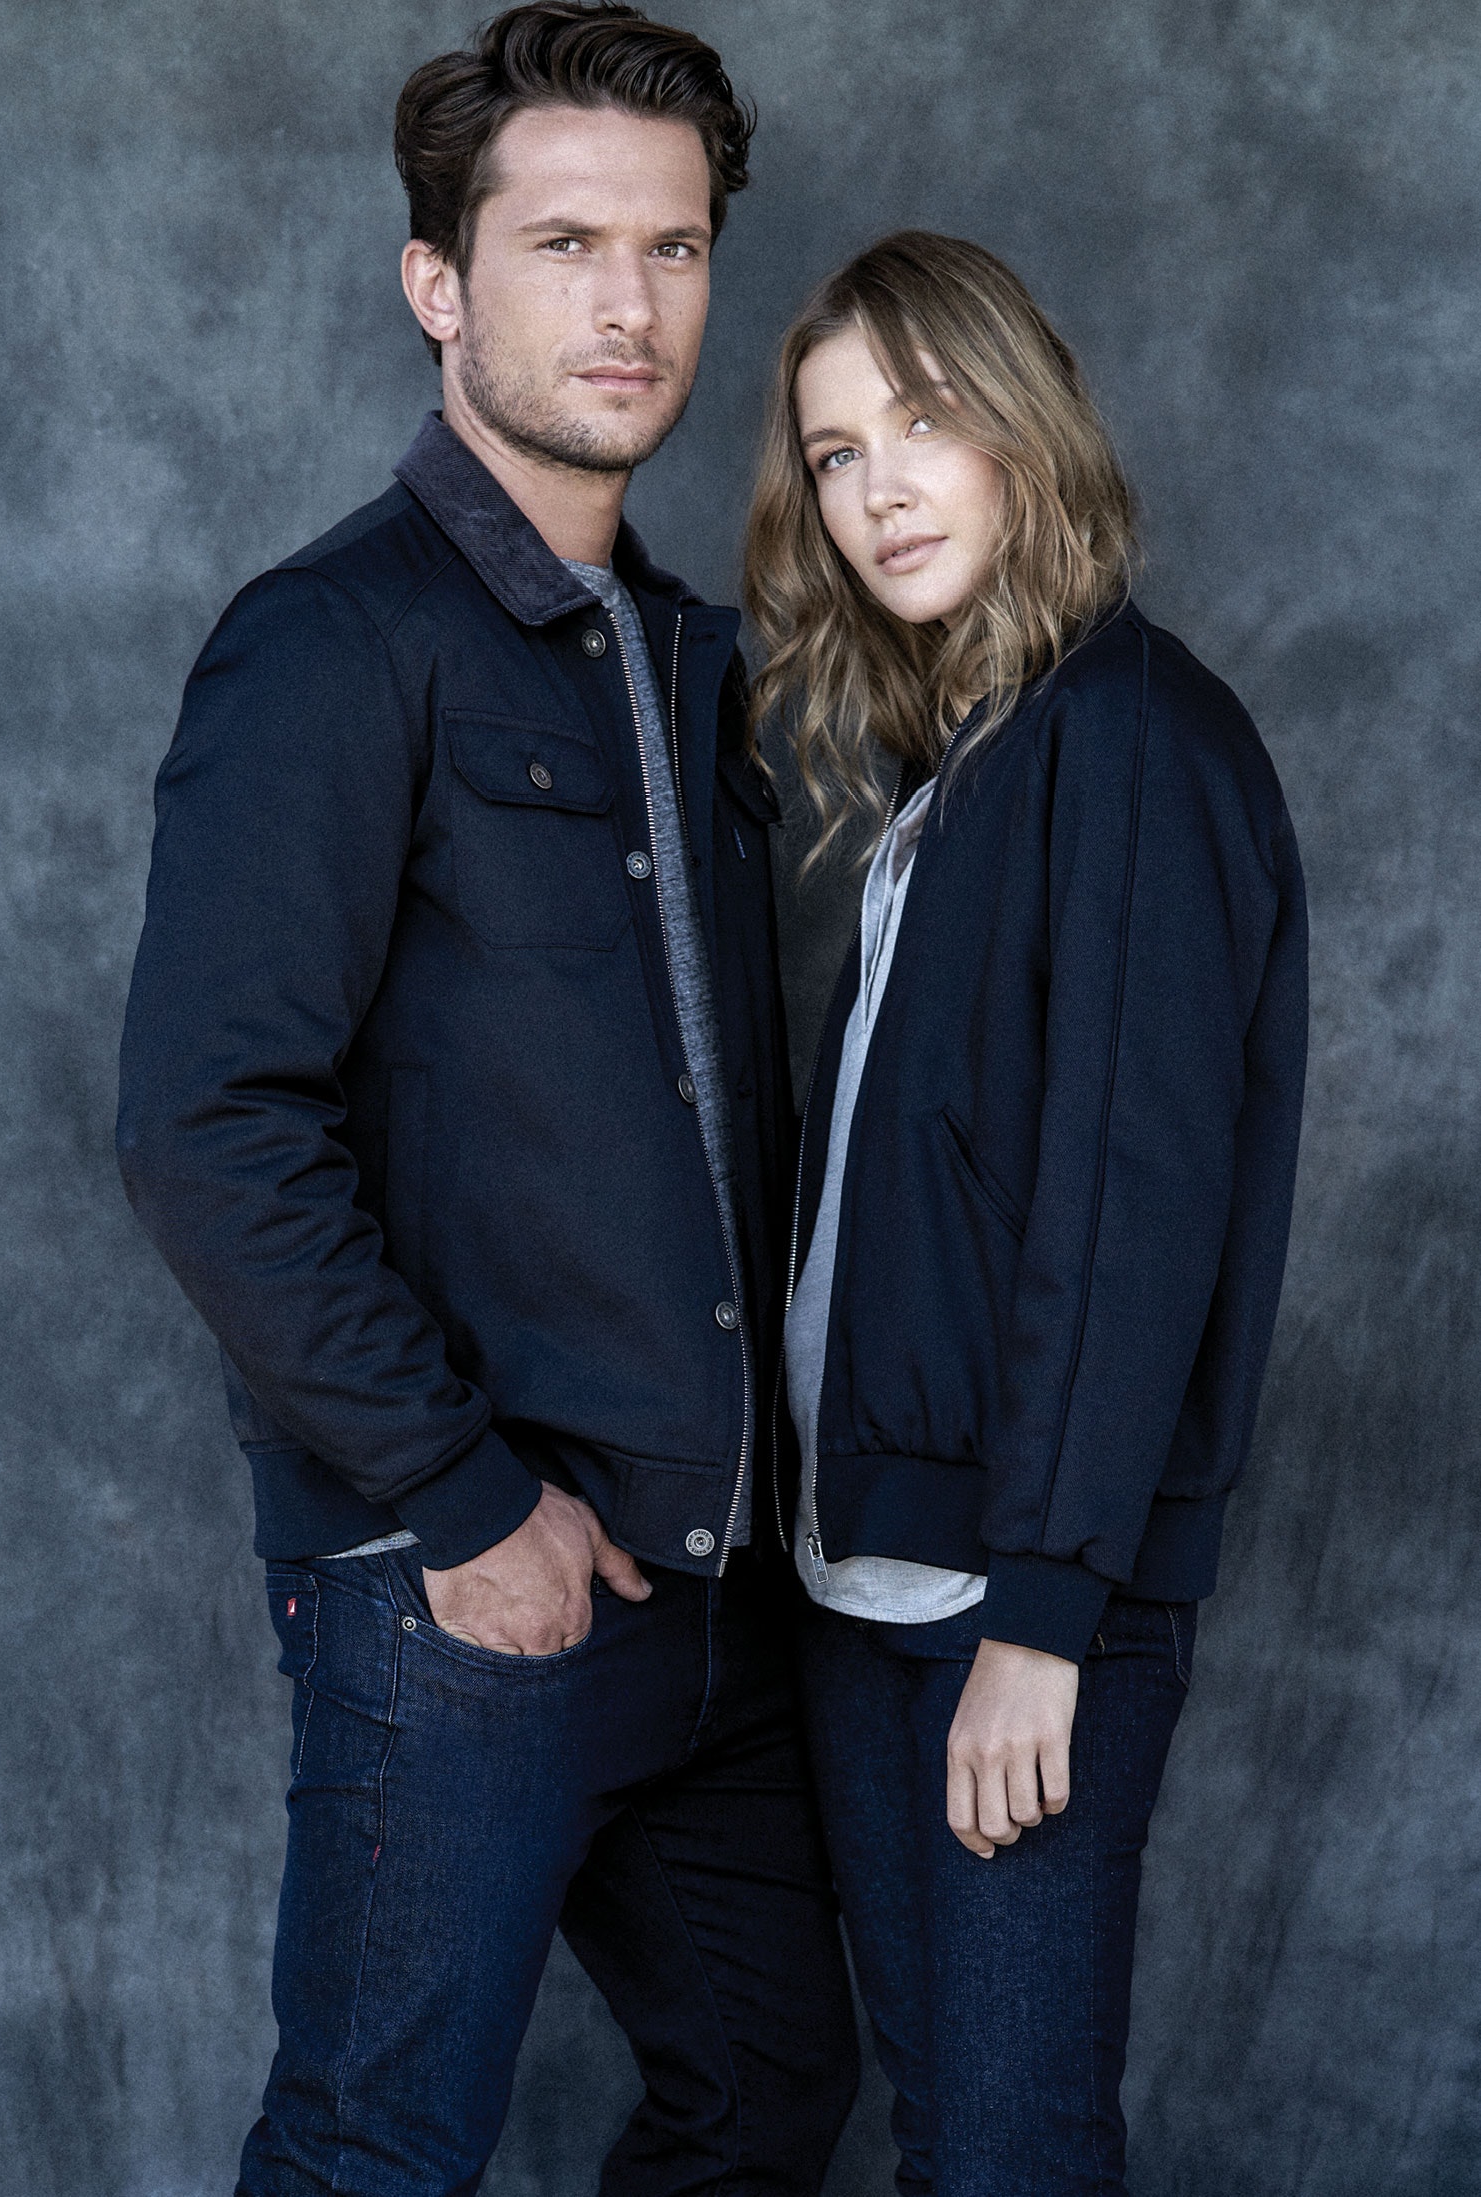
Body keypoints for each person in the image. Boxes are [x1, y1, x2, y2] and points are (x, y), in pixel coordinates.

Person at [116, 7, 859, 2191]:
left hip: (707, 1589)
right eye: (561, 244)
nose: (629, 305)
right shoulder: (329, 644)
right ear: (435, 284)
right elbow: (206, 1126)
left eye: (672, 247)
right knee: (373, 2149)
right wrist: (458, 1498)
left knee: (768, 2090)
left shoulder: (688, 657)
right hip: (464, 1588)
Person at [743, 230, 1309, 2196]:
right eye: (833, 452)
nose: (875, 487)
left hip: (1012, 1602)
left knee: (1008, 2150)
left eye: (920, 422)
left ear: (1022, 429)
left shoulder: (1127, 740)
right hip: (868, 1584)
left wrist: (1044, 1613)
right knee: (943, 2132)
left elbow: (1128, 1207)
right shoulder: (962, 768)